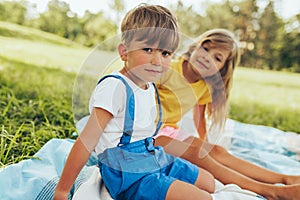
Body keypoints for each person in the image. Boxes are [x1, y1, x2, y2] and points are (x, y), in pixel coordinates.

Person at [54, 4, 216, 200]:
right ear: (124, 52)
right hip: (126, 171)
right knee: (202, 198)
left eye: (165, 53)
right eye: (148, 49)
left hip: (151, 155)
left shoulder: (149, 85)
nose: (157, 61)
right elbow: (86, 142)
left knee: (209, 183)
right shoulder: (116, 88)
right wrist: (62, 191)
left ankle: (163, 181)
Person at [154, 28, 300, 200]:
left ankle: (285, 178)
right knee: (196, 154)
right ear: (195, 48)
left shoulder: (205, 85)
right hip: (146, 132)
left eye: (217, 58)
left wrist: (206, 144)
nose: (207, 57)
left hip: (169, 131)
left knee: (216, 151)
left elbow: (199, 117)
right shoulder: (168, 68)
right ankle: (272, 191)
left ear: (221, 69)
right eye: (206, 48)